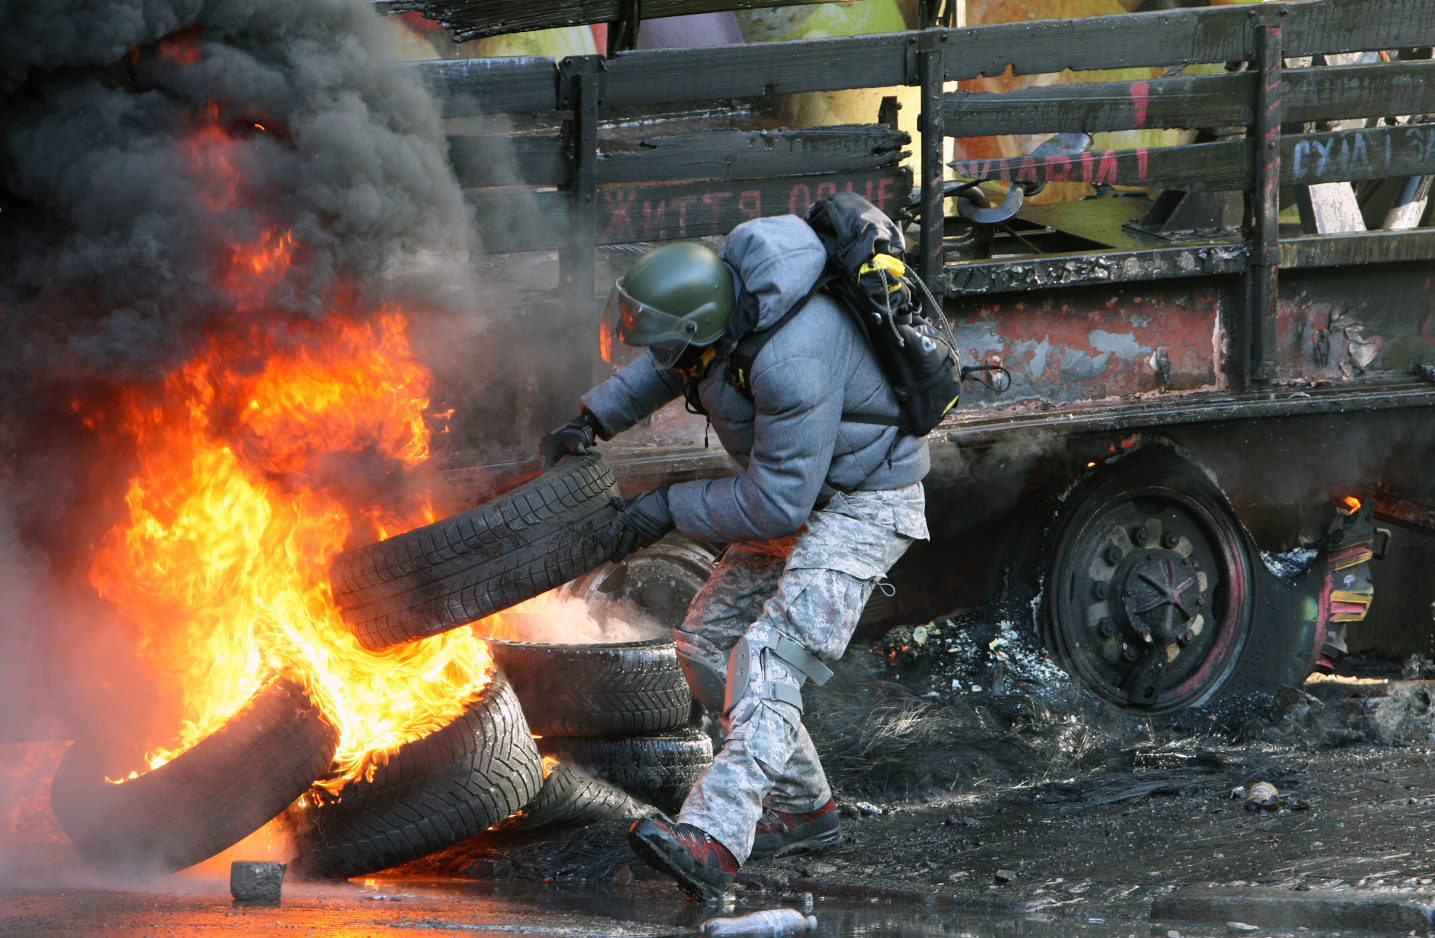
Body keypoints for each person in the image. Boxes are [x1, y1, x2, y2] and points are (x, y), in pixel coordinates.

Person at [539, 215, 930, 901]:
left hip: (864, 505)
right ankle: (804, 811)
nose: (661, 355)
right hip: (802, 492)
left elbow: (776, 504)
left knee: (769, 660)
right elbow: (670, 365)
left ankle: (714, 838)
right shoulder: (721, 320)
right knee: (707, 643)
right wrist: (591, 419)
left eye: (668, 342)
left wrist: (662, 509)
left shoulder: (792, 357)